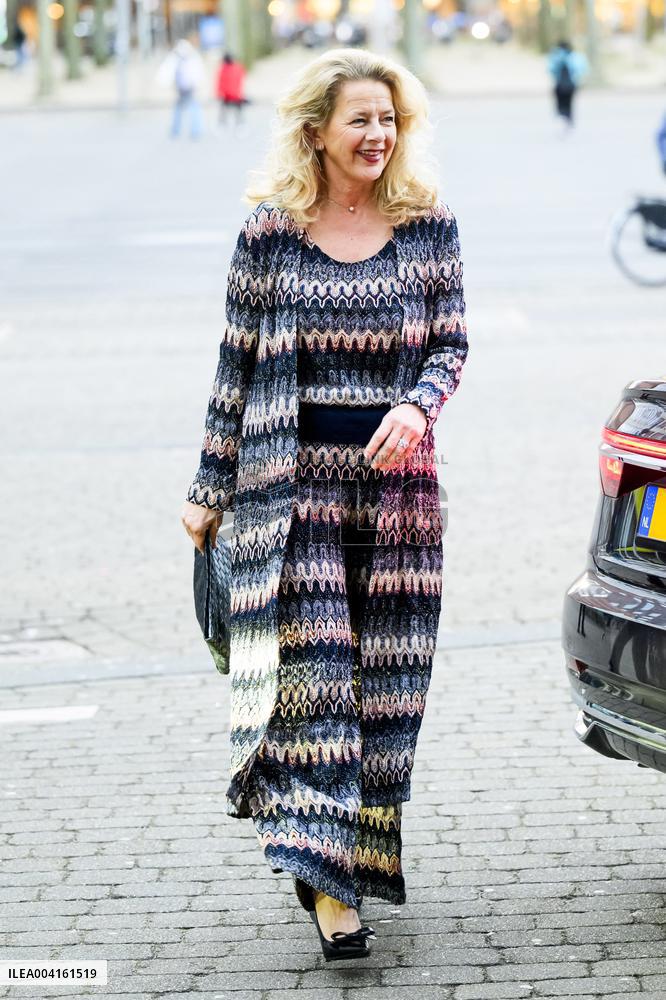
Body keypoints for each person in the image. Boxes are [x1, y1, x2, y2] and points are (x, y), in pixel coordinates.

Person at [181, 47, 469, 961]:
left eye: (389, 119)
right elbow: (235, 365)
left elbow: (452, 345)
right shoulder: (271, 233)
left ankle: (348, 853)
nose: (378, 134)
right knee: (316, 691)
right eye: (361, 119)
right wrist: (208, 486)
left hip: (397, 502)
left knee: (381, 694)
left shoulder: (428, 224)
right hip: (290, 491)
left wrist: (416, 407)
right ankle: (330, 892)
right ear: (317, 130)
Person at [157, 38, 205, 141]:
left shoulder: (177, 58)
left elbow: (167, 72)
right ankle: (194, 130)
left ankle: (176, 130)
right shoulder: (192, 58)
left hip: (182, 88)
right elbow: (198, 73)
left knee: (180, 109)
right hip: (189, 87)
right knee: (192, 108)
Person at [548, 40, 588, 132]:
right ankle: (568, 116)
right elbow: (582, 69)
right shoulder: (576, 56)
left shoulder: (557, 56)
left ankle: (564, 115)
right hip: (571, 84)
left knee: (562, 101)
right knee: (569, 102)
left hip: (561, 84)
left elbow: (551, 69)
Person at [216, 52, 246, 129]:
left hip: (227, 94)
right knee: (238, 110)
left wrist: (219, 93)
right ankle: (239, 124)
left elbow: (220, 82)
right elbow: (241, 79)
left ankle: (222, 123)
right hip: (236, 94)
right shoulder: (238, 67)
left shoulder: (223, 69)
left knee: (224, 110)